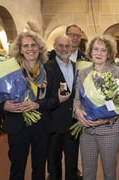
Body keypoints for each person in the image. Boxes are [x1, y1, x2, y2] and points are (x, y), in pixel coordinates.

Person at [2, 30, 69, 180]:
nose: (30, 49)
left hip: (41, 126)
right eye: (25, 46)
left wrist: (37, 105)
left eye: (33, 45)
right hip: (17, 125)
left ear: (39, 48)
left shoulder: (49, 72)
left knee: (39, 169)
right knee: (17, 169)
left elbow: (54, 100)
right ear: (20, 49)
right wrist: (3, 106)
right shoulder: (11, 71)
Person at [73, 35, 119, 180]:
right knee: (88, 173)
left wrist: (104, 120)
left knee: (109, 173)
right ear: (90, 52)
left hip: (109, 130)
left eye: (103, 50)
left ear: (109, 53)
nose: (99, 53)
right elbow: (77, 99)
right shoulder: (83, 73)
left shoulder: (117, 73)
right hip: (86, 130)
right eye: (96, 49)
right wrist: (78, 112)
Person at [45, 35, 81, 180]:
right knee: (53, 164)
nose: (64, 49)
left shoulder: (78, 68)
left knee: (72, 164)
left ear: (72, 48)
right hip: (54, 124)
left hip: (73, 124)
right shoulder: (47, 68)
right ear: (54, 46)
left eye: (67, 46)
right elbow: (44, 97)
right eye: (60, 45)